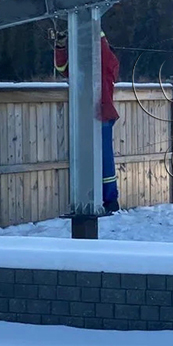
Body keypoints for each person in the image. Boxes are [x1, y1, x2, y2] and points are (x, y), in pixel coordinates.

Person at [53, 29, 121, 213]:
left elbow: (103, 51)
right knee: (88, 158)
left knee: (104, 159)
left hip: (102, 115)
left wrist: (92, 26)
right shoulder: (84, 67)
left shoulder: (108, 63)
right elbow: (62, 68)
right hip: (86, 115)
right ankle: (93, 196)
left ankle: (109, 199)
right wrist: (61, 46)